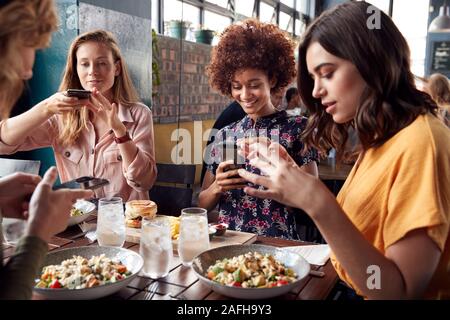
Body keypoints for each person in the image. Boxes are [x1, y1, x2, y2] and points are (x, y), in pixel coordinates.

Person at [238, 1, 450, 299]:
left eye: (327, 73)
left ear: (371, 61)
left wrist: (318, 202)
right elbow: (358, 235)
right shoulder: (386, 137)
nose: (315, 91)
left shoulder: (421, 143)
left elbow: (399, 292)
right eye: (313, 78)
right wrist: (298, 186)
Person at [0, 0, 93, 300]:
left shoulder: (137, 114)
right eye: (26, 45)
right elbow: (6, 140)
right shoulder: (61, 118)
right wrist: (38, 233)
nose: (28, 72)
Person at [0, 30, 157, 201]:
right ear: (76, 68)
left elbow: (144, 182)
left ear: (116, 68)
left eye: (102, 63)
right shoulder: (62, 116)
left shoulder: (139, 114)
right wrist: (45, 108)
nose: (92, 71)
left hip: (126, 223)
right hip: (78, 223)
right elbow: (4, 143)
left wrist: (120, 131)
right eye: (84, 64)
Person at [198, 19, 318, 240]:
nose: (245, 95)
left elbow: (315, 202)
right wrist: (217, 187)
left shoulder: (297, 129)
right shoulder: (225, 134)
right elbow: (201, 205)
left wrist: (286, 186)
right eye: (237, 86)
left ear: (272, 79)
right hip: (229, 244)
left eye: (254, 85)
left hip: (278, 245)